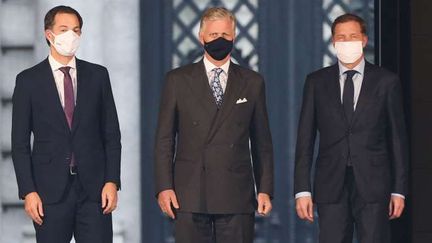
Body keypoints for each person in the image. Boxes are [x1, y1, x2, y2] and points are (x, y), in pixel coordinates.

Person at [154, 7, 274, 243]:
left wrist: (265, 188)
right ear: (201, 37)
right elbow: (164, 140)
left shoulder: (252, 82)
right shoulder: (177, 80)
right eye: (213, 35)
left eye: (225, 35)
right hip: (189, 192)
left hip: (236, 193)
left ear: (234, 37)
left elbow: (262, 142)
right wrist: (164, 187)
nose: (219, 40)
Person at [294, 13, 408, 243]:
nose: (347, 42)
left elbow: (397, 139)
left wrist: (399, 189)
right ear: (334, 42)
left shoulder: (386, 82)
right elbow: (304, 139)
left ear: (364, 40)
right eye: (341, 37)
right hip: (331, 183)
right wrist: (302, 190)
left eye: (353, 36)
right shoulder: (316, 82)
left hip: (374, 184)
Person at [12, 5, 121, 243]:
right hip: (49, 192)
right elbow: (19, 144)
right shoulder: (28, 81)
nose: (71, 35)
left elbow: (111, 134)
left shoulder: (98, 76)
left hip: (94, 191)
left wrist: (112, 181)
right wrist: (28, 192)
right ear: (48, 34)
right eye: (64, 29)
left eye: (76, 30)